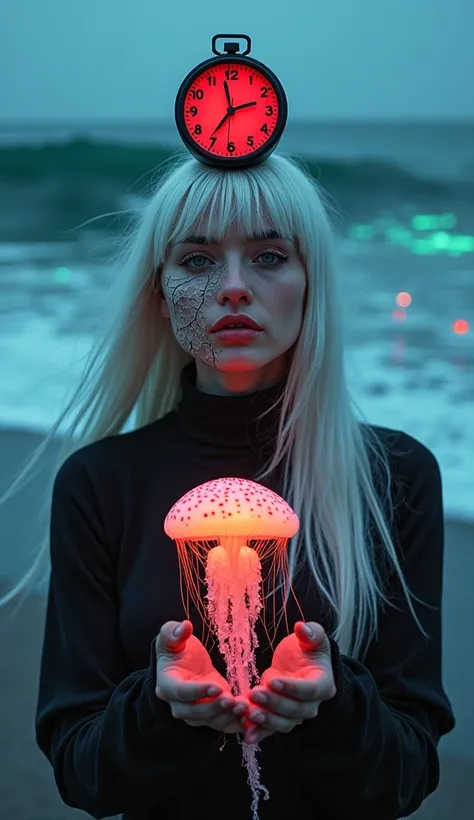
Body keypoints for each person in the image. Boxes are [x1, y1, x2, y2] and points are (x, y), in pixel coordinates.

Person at [1, 152, 455, 820]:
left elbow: (407, 778)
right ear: (159, 293)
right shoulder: (98, 484)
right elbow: (81, 771)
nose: (235, 287)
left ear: (311, 281)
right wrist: (160, 707)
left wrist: (334, 703)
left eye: (270, 256)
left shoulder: (397, 478)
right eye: (197, 260)